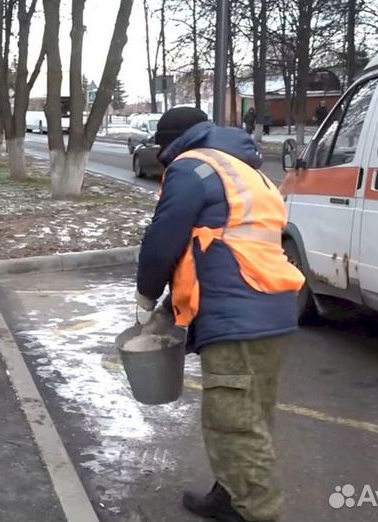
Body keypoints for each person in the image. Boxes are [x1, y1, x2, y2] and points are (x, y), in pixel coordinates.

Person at [135, 106, 305, 522]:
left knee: (234, 422)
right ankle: (229, 494)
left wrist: (144, 297)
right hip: (273, 306)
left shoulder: (191, 166)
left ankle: (257, 512)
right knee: (253, 411)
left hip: (236, 314)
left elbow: (164, 237)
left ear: (170, 142)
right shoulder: (245, 169)